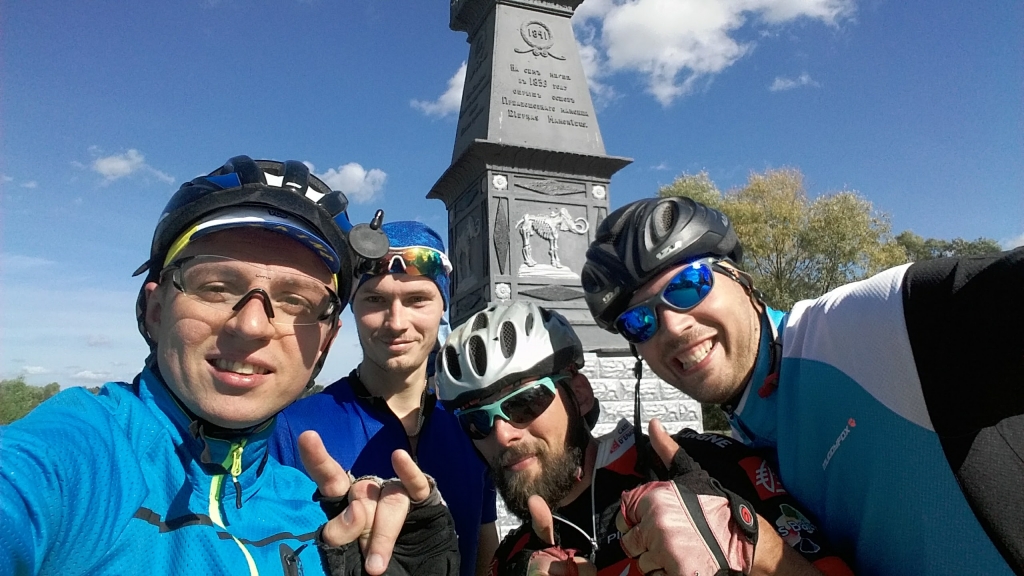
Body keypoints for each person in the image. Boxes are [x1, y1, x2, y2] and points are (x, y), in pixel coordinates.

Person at [0, 156, 459, 576]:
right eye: (216, 287)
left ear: (325, 342)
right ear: (155, 311)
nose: (252, 325)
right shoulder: (81, 458)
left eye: (296, 300)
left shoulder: (313, 513)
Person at [580, 195, 1024, 574]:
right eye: (639, 321)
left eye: (688, 284)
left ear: (741, 279)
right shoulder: (741, 446)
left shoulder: (866, 326)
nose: (673, 327)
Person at [435, 301, 853, 576]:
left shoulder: (709, 470)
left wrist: (755, 555)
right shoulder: (513, 559)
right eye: (477, 422)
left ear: (579, 393)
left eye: (524, 403)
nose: (502, 434)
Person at [272, 221, 498, 576]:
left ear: (443, 307)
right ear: (353, 309)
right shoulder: (292, 430)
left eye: (417, 300)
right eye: (375, 299)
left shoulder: (472, 427)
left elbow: (485, 556)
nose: (396, 322)